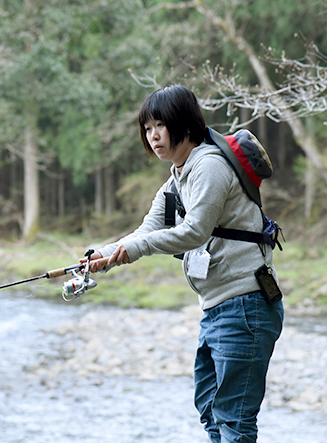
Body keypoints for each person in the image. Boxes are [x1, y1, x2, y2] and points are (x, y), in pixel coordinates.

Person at [84, 84, 284, 443]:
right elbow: (149, 228)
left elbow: (194, 232)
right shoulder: (179, 174)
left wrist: (138, 249)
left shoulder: (209, 166)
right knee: (210, 409)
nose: (153, 135)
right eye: (147, 128)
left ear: (186, 126)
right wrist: (107, 253)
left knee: (234, 421)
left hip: (245, 305)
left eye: (160, 125)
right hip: (217, 308)